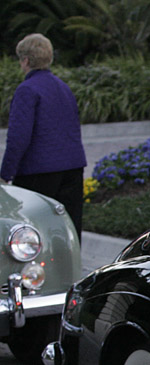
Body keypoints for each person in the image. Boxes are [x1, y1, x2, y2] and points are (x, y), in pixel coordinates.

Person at [1, 34, 87, 238]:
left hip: (38, 172)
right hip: (72, 168)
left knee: (34, 231)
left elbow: (18, 138)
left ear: (26, 61)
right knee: (68, 230)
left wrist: (5, 173)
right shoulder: (63, 87)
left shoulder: (27, 90)